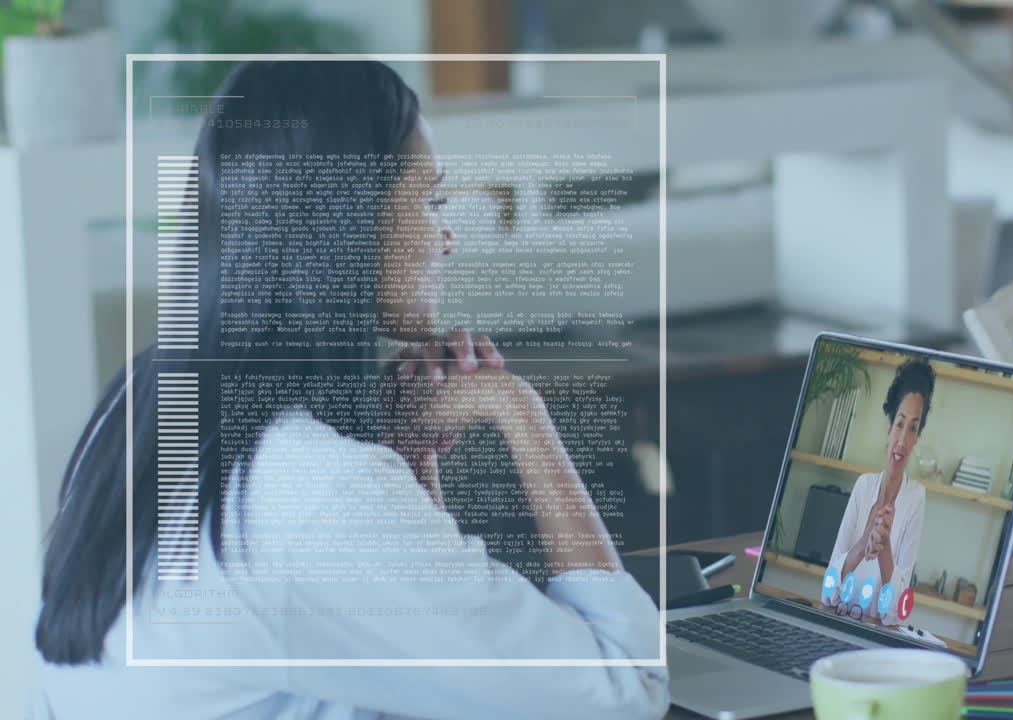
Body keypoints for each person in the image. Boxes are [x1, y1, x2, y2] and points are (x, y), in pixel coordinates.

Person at [32, 60, 667, 719]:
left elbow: (429, 671)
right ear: (346, 221)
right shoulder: (319, 489)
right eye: (431, 201)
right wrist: (519, 409)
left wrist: (411, 458)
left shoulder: (140, 402)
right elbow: (624, 694)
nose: (447, 237)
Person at [820, 359, 935, 625]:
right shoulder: (864, 486)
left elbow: (894, 614)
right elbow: (827, 594)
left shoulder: (916, 497)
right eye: (899, 424)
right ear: (889, 427)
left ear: (917, 437)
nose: (903, 440)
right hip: (836, 625)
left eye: (913, 428)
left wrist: (884, 548)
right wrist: (863, 543)